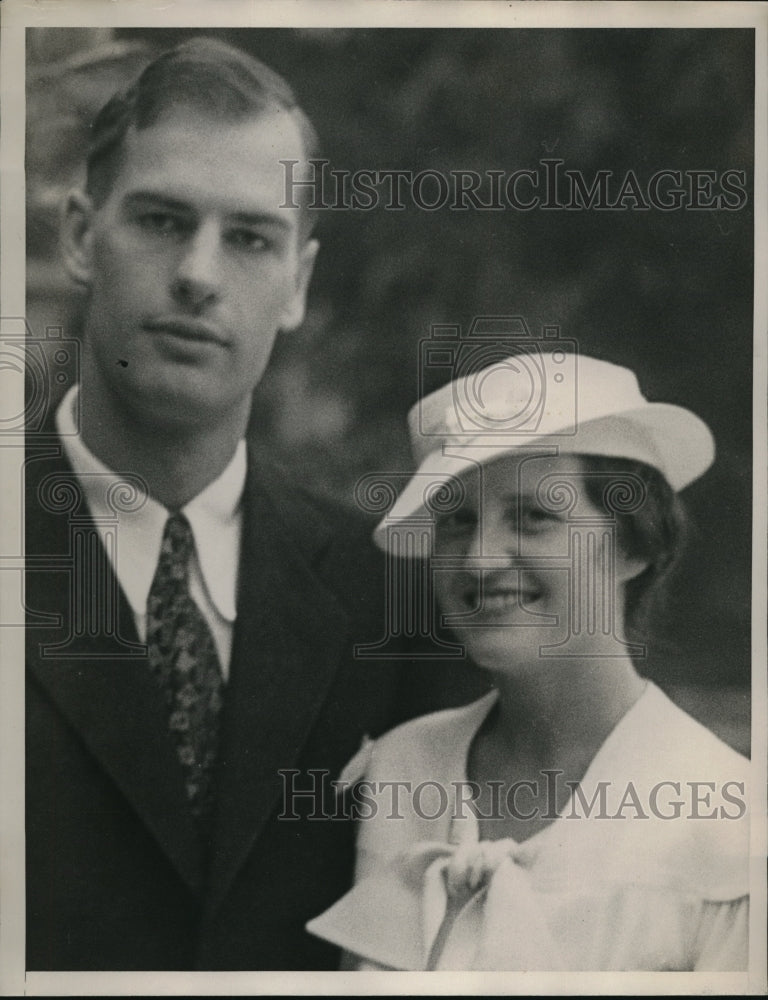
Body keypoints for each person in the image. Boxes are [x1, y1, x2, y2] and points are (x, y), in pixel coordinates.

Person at [24, 37, 483, 971]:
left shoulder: (393, 603)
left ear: (298, 284)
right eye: (160, 220)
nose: (199, 273)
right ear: (79, 236)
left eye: (249, 237)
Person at [306, 351, 750, 970]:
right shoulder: (400, 770)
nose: (481, 561)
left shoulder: (731, 819)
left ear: (633, 544)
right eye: (458, 521)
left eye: (534, 517)